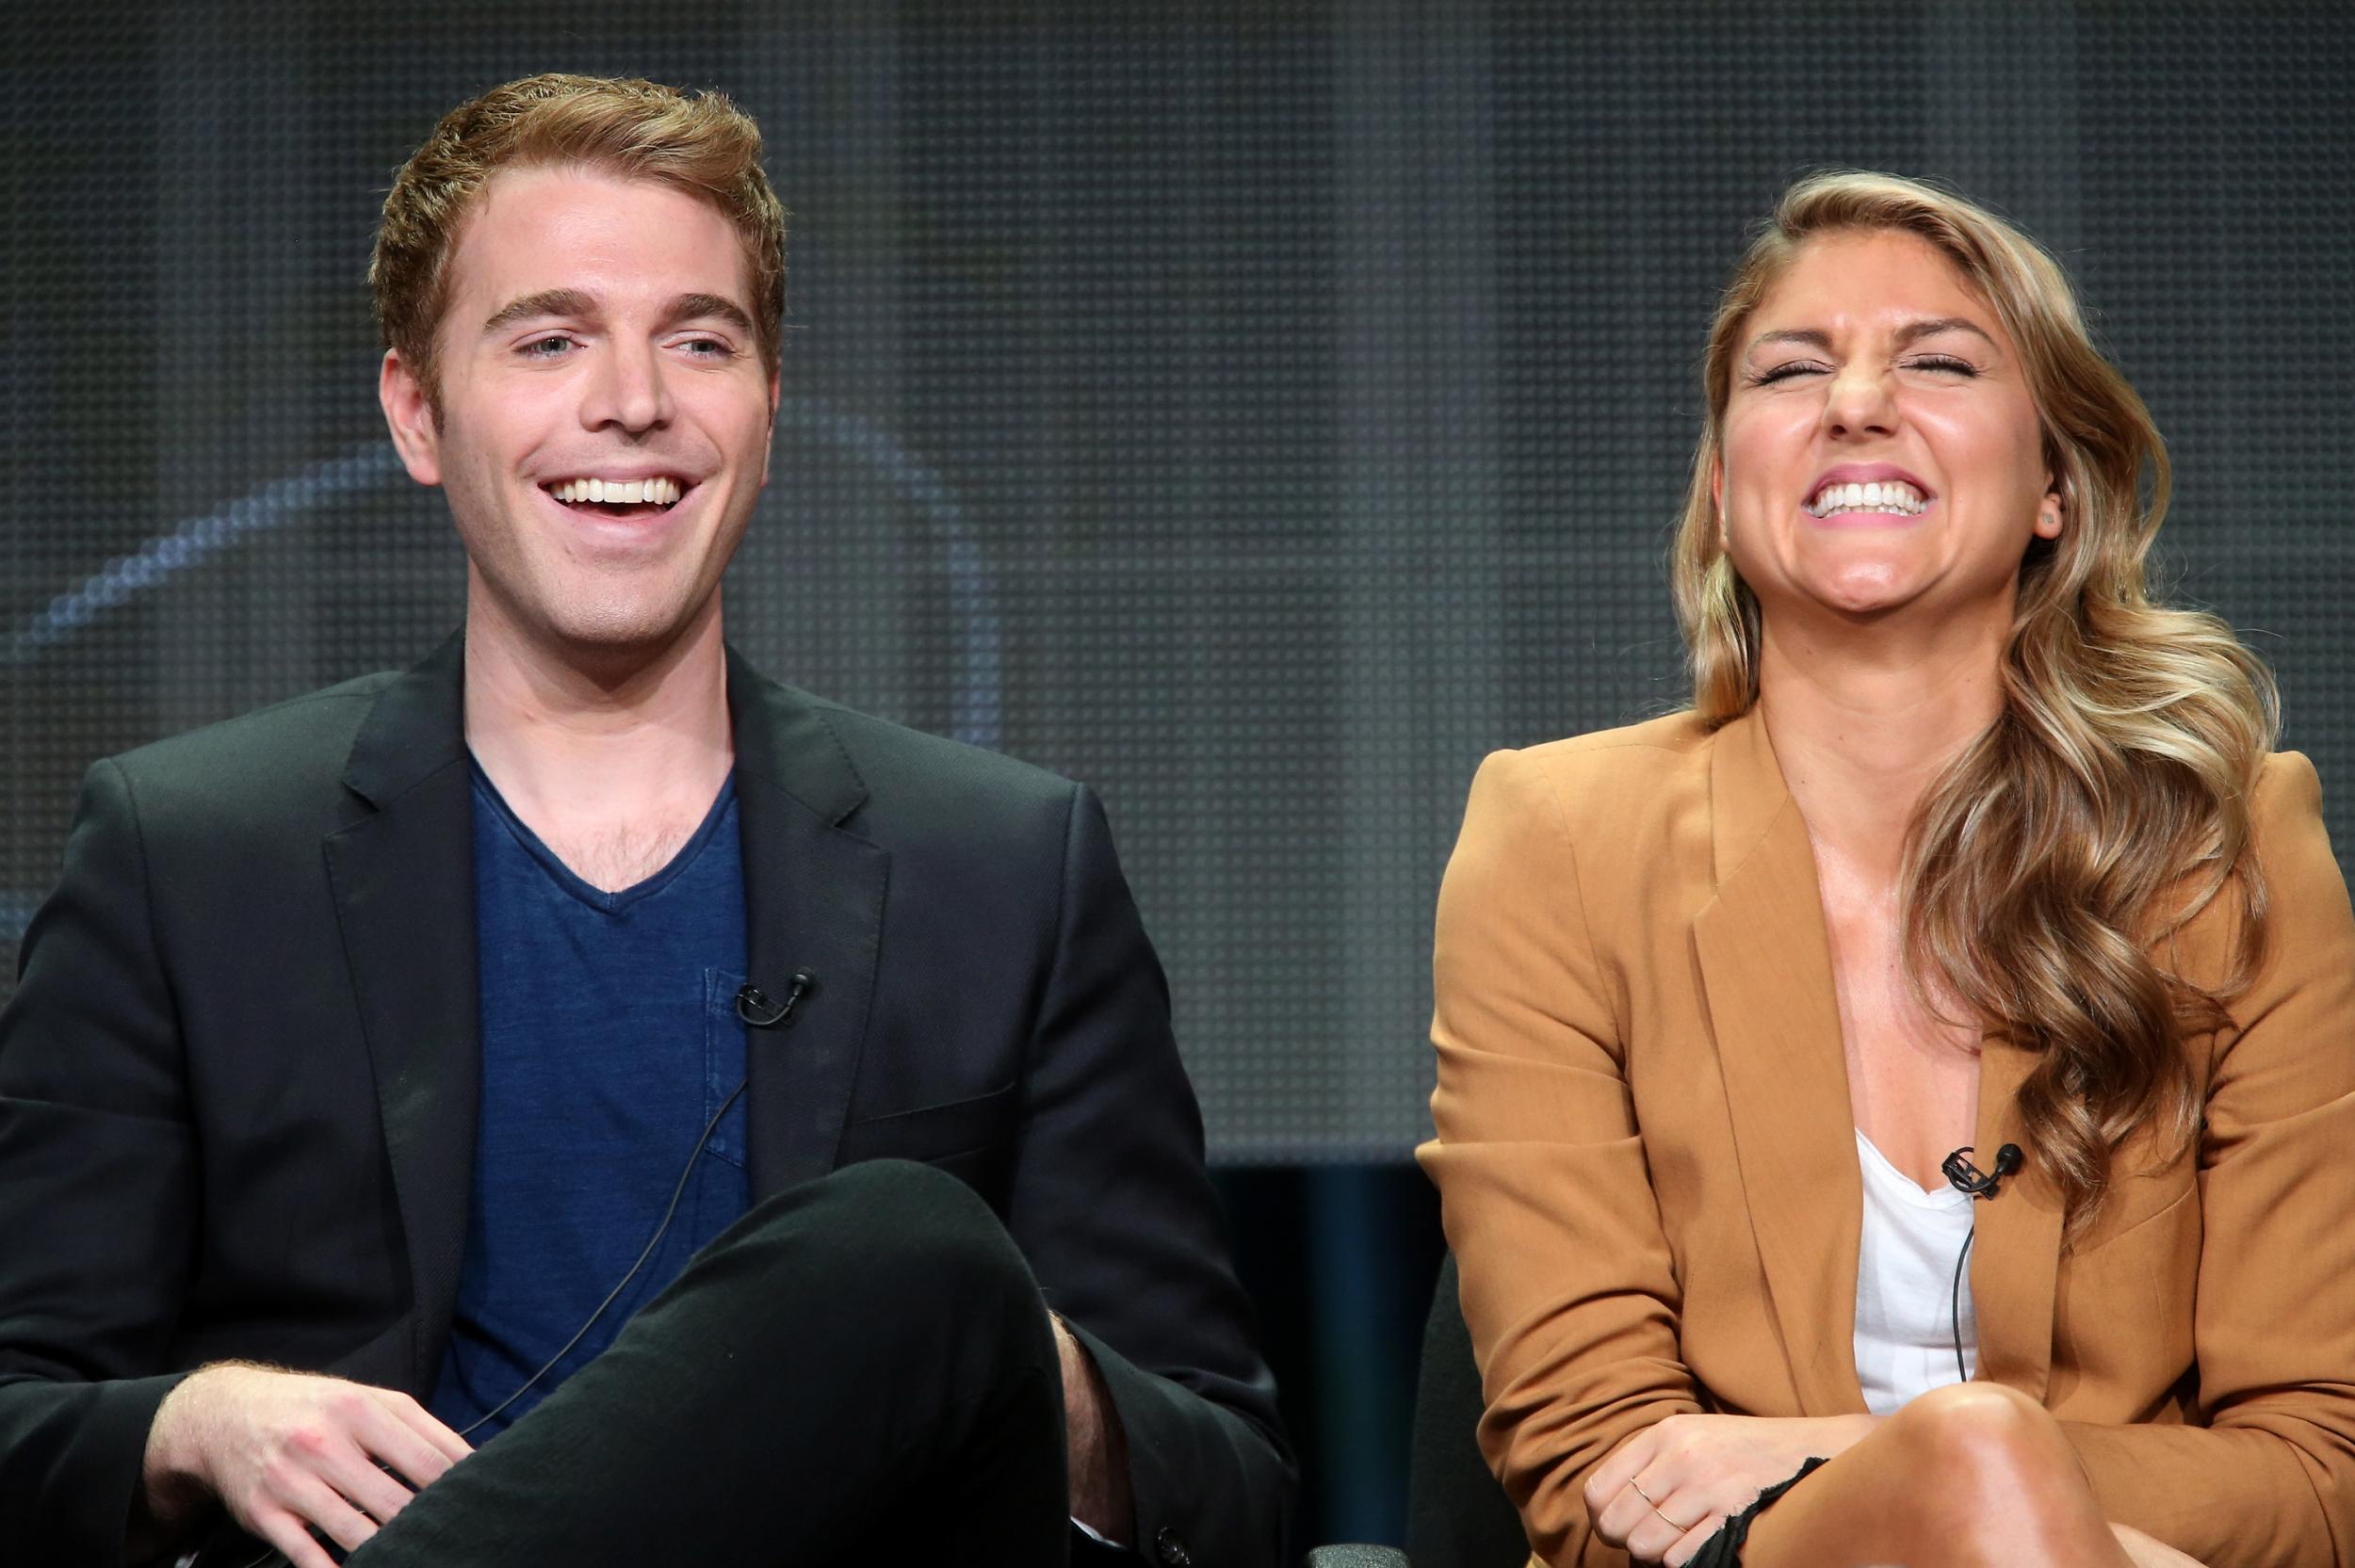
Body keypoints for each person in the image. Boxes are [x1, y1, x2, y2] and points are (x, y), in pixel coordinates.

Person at [0, 73, 1290, 1568]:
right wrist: (193, 1423)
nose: (635, 400)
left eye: (701, 339)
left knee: (906, 1247)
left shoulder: (1005, 866)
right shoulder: (190, 851)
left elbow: (1233, 1489)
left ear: (768, 403)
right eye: (550, 339)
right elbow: (21, 1415)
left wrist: (980, 1342)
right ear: (417, 413)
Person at [1420, 170, 2355, 1568]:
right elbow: (1600, 1472)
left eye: (1939, 361)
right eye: (1792, 370)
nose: (1856, 400)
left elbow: (2319, 1471)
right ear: (1728, 488)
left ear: (2053, 485)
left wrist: (1897, 1454)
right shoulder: (1551, 839)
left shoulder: (2230, 848)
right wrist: (1971, 1488)